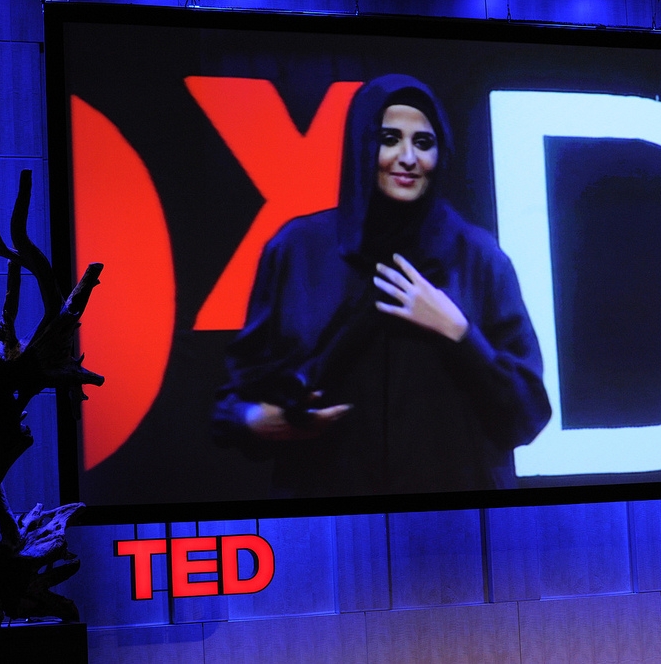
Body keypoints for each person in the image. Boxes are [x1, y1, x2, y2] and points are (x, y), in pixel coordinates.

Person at [212, 74, 552, 498]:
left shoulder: (479, 258)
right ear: (360, 145)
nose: (406, 157)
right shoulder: (298, 250)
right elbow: (231, 404)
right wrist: (257, 421)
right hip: (330, 525)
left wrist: (459, 334)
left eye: (423, 143)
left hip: (457, 524)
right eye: (389, 138)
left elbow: (527, 416)